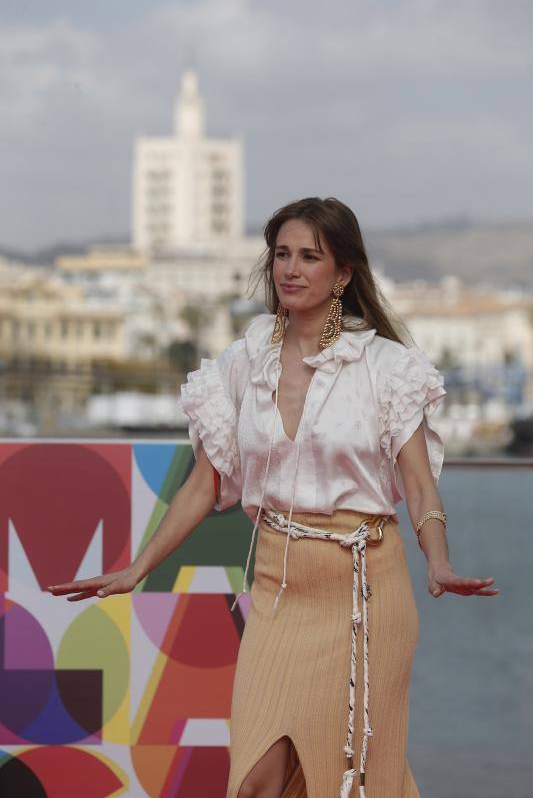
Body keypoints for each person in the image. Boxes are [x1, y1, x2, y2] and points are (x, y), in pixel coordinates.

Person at [48, 196, 500, 798]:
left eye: (309, 256)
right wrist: (138, 568)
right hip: (279, 592)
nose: (290, 268)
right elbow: (204, 484)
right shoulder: (241, 365)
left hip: (365, 591)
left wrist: (437, 561)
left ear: (343, 274)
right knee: (258, 779)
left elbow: (419, 484)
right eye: (282, 254)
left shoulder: (388, 369)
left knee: (349, 780)